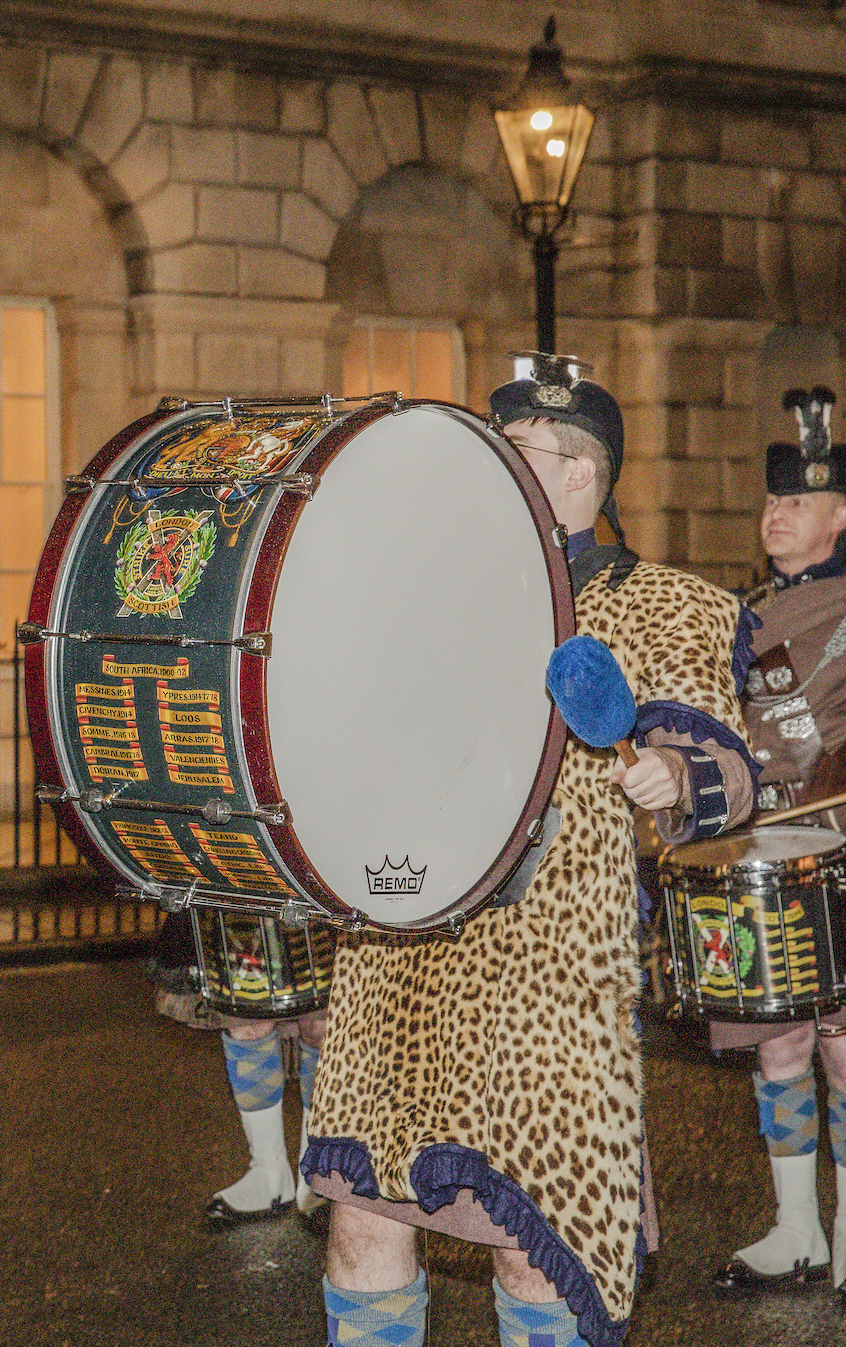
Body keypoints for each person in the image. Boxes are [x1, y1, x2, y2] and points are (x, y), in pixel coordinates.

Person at [304, 358, 757, 1347]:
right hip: (401, 958)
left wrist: (675, 780)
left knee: (533, 1250)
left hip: (545, 971)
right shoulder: (428, 598)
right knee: (358, 1230)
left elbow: (723, 764)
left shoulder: (665, 604)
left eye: (514, 454)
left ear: (583, 472)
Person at [711, 385, 846, 1295]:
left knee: (842, 1042)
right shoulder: (748, 612)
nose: (775, 515)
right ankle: (798, 1224)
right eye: (769, 501)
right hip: (768, 848)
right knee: (781, 1042)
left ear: (839, 515)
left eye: (794, 502)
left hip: (839, 845)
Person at [151, 913, 326, 1223]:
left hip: (316, 885)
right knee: (246, 1018)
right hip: (246, 882)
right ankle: (269, 1172)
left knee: (322, 1024)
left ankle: (319, 1171)